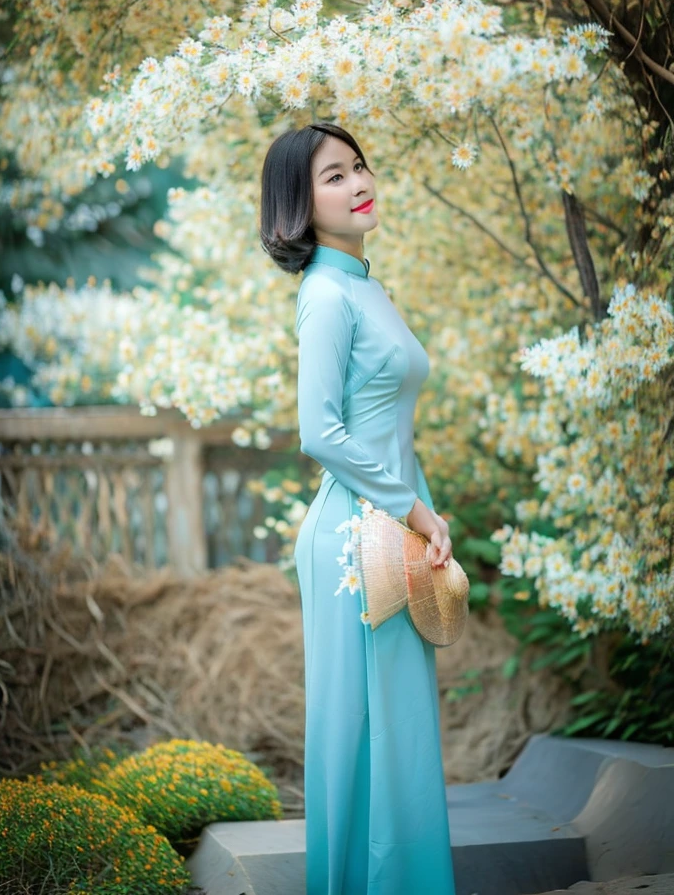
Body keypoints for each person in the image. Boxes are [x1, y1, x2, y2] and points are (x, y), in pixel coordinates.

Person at [260, 121, 456, 895]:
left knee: (400, 728)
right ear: (298, 207)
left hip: (396, 518)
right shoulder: (326, 295)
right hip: (358, 536)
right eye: (332, 177)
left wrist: (417, 511)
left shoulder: (365, 284)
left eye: (358, 166)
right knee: (359, 731)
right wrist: (413, 508)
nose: (357, 181)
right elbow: (319, 430)